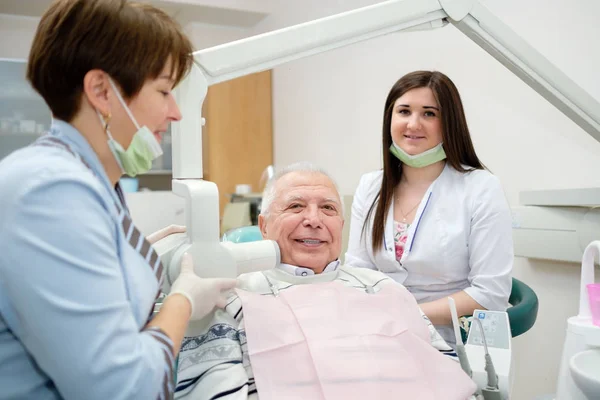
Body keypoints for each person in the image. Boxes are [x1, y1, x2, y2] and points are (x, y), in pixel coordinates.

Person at [0, 1, 235, 399]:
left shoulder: (90, 181)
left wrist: (138, 253)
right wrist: (182, 303)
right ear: (101, 91)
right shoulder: (49, 191)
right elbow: (120, 387)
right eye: (164, 91)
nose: (175, 112)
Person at [175, 162, 477, 400]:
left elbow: (445, 376)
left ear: (341, 226)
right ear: (264, 226)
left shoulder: (384, 289)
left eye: (328, 208)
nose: (314, 220)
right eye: (295, 206)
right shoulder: (231, 297)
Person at [345, 70, 513, 345]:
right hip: (380, 335)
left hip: (453, 340)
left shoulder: (481, 188)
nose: (413, 124)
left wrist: (408, 315)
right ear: (390, 119)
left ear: (450, 123)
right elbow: (357, 271)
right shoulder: (371, 186)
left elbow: (490, 293)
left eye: (429, 114)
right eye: (404, 111)